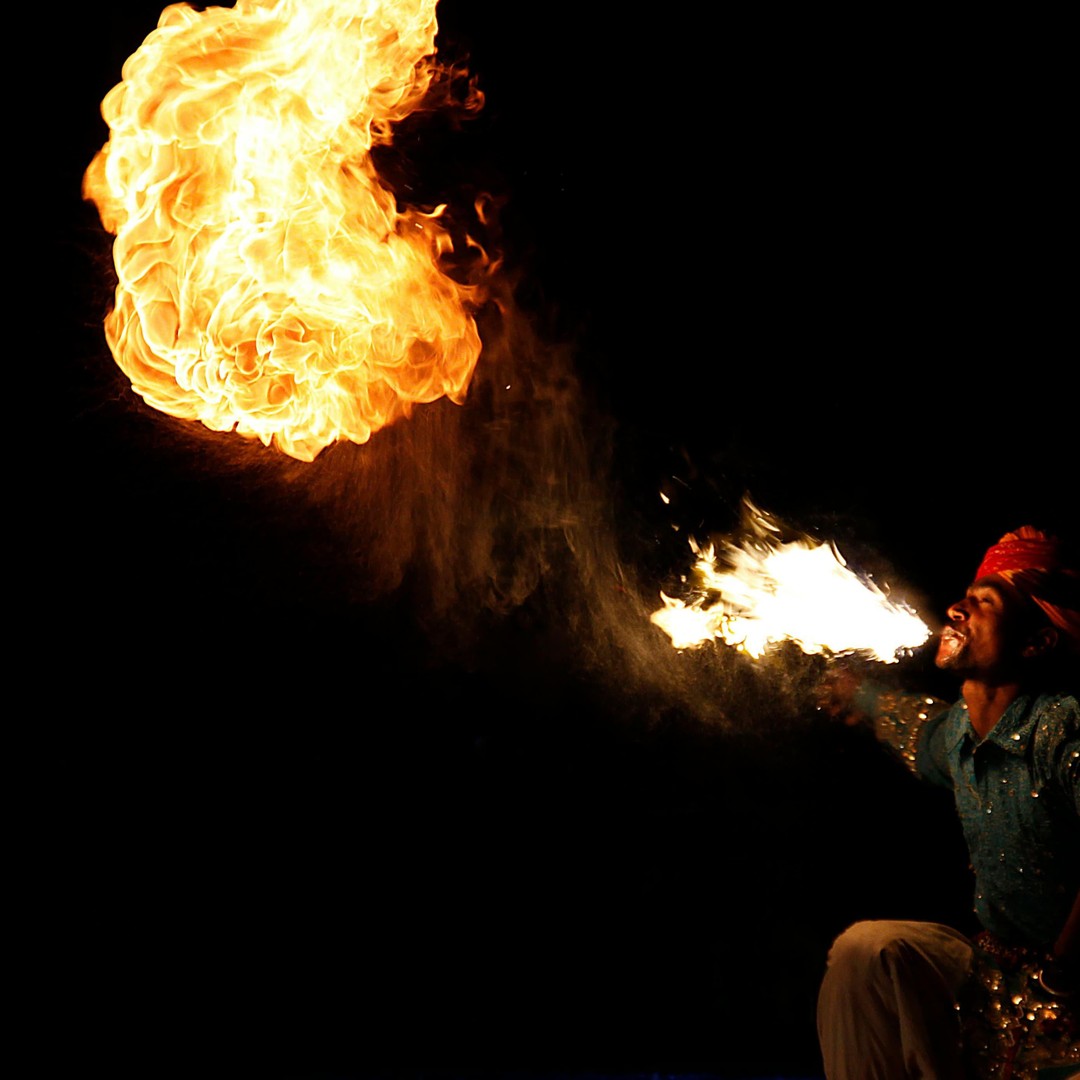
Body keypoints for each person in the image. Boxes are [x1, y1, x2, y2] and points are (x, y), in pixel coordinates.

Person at [816, 526, 1079, 1079]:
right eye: (966, 594)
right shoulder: (959, 733)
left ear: (1035, 642)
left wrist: (1062, 972)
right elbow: (916, 728)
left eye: (984, 602)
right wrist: (857, 695)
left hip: (1067, 995)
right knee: (869, 953)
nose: (958, 607)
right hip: (994, 979)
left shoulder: (1061, 727)